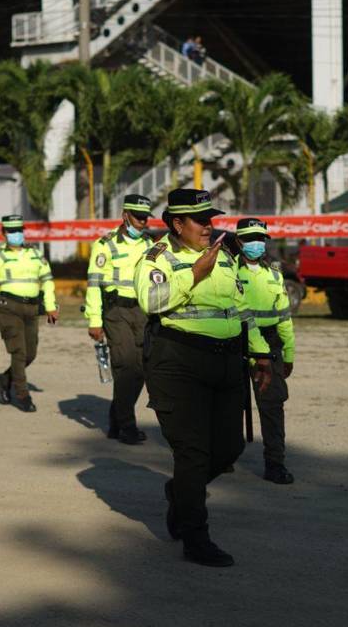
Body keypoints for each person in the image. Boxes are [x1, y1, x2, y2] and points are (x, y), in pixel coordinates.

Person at [134, 188, 273, 567]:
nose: (209, 226)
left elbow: (240, 308)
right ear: (177, 224)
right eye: (201, 220)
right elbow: (151, 301)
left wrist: (260, 352)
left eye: (211, 219)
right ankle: (195, 537)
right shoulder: (157, 258)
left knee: (230, 449)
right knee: (192, 452)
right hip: (178, 362)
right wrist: (194, 275)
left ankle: (181, 491)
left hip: (227, 362)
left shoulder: (224, 257)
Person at [85, 194, 154, 444]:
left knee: (142, 369)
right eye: (138, 217)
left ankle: (116, 418)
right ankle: (127, 426)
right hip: (116, 312)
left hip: (143, 312)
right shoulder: (104, 244)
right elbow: (93, 285)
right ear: (125, 215)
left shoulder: (150, 245)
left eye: (146, 218)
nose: (143, 222)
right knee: (125, 366)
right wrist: (94, 320)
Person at [235, 217, 296, 484]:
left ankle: (275, 463)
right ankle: (225, 457)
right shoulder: (228, 273)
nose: (256, 244)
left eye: (260, 239)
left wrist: (289, 354)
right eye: (249, 239)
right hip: (235, 341)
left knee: (272, 405)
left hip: (270, 344)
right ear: (238, 242)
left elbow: (284, 318)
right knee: (230, 403)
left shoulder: (274, 275)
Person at [0, 215, 58, 413]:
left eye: (19, 229)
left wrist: (50, 305)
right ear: (4, 233)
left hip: (31, 309)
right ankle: (22, 394)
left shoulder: (36, 254)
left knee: (30, 354)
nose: (16, 234)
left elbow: (47, 281)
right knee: (18, 352)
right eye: (12, 231)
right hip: (8, 308)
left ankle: (6, 378)